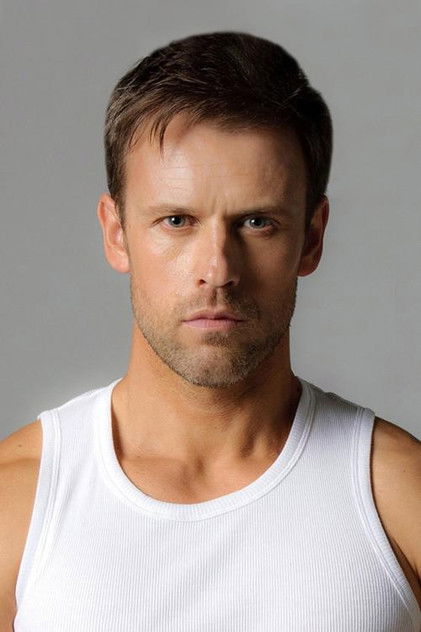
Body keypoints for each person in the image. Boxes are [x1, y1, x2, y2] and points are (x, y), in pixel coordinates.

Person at [1, 31, 420, 631]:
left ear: (311, 238)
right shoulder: (17, 502)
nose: (218, 270)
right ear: (117, 233)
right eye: (177, 220)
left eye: (257, 222)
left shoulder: (399, 495)